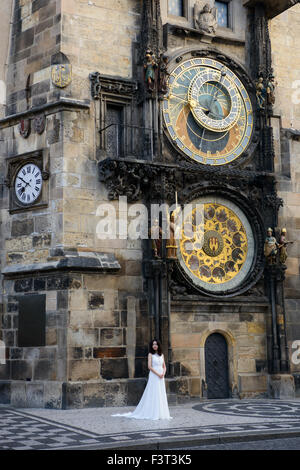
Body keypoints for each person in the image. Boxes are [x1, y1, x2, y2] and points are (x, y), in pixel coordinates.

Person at [112, 339, 172, 420]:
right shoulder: (150, 355)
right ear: (151, 346)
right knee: (154, 392)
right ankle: (153, 412)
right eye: (153, 344)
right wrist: (158, 374)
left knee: (161, 392)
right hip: (154, 375)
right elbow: (149, 367)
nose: (155, 346)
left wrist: (163, 374)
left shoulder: (162, 355)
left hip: (161, 376)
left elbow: (164, 366)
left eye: (156, 344)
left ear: (158, 345)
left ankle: (161, 412)